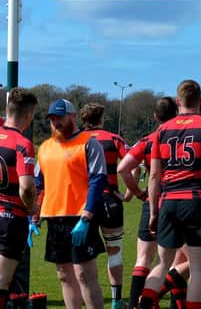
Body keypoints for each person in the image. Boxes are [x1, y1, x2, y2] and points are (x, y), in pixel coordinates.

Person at [137, 80, 201, 309]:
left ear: (178, 101)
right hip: (198, 200)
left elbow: (153, 176)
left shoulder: (162, 130)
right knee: (198, 268)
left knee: (162, 263)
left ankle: (143, 305)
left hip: (168, 202)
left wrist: (153, 211)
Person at [33, 99, 107, 309]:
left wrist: (87, 217)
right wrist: (35, 216)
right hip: (55, 219)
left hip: (81, 217)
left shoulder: (88, 143)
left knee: (84, 274)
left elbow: (98, 179)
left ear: (73, 117)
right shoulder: (46, 148)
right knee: (64, 275)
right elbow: (39, 185)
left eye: (60, 117)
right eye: (52, 118)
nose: (56, 122)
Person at [117, 97, 189, 309]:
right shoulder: (183, 137)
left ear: (155, 117)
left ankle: (134, 304)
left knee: (143, 258)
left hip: (152, 201)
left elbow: (123, 169)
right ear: (176, 113)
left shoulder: (147, 140)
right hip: (177, 199)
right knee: (179, 259)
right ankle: (159, 300)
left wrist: (138, 192)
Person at [79, 102, 128, 309]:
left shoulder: (75, 141)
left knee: (82, 255)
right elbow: (131, 165)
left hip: (83, 203)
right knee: (114, 251)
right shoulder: (114, 139)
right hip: (110, 199)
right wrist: (128, 193)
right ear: (102, 118)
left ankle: (84, 298)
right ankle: (116, 302)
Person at [0, 88, 38, 308]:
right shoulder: (23, 144)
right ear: (29, 115)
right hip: (10, 218)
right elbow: (26, 188)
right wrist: (31, 207)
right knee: (3, 282)